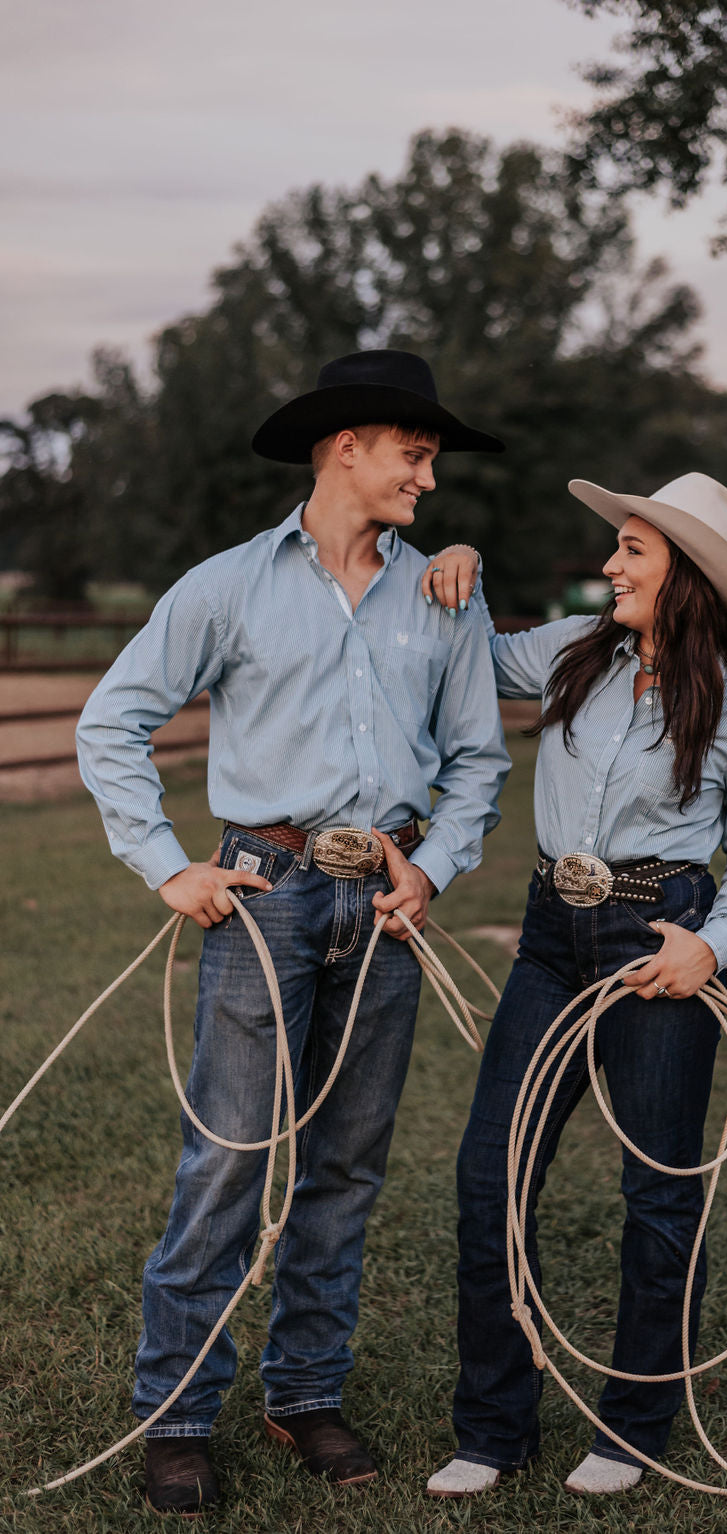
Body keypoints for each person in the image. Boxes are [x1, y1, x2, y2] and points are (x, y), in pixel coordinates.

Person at [75, 350, 511, 1517]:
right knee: (226, 1161)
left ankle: (306, 1392)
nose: (427, 477)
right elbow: (111, 719)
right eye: (413, 454)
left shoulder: (443, 596)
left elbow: (478, 761)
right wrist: (169, 866)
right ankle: (178, 1418)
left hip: (383, 902)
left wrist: (440, 864)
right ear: (346, 448)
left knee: (347, 1167)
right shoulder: (226, 585)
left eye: (430, 459)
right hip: (261, 889)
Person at [420, 472, 727, 1497]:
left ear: (687, 573)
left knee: (657, 1194)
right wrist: (458, 568)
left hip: (659, 935)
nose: (609, 565)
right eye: (615, 547)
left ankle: (629, 1428)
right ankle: (492, 1427)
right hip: (552, 936)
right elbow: (466, 660)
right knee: (489, 1176)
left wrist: (708, 946)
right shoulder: (573, 650)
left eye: (632, 549)